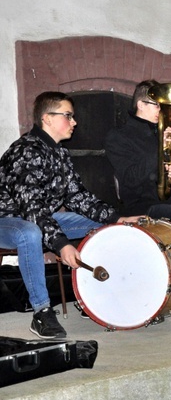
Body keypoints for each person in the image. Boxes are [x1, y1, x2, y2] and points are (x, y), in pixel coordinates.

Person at [0, 91, 142, 338]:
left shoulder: (60, 153)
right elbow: (32, 209)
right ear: (47, 118)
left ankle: (92, 296)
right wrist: (61, 244)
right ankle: (42, 312)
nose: (74, 122)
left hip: (37, 218)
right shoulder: (24, 151)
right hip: (8, 222)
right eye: (68, 116)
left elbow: (78, 197)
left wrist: (115, 218)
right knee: (30, 233)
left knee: (97, 223)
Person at [106, 80, 171, 234]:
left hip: (166, 203)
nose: (162, 110)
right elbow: (130, 178)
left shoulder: (163, 133)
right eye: (157, 105)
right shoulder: (119, 136)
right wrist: (159, 148)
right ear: (140, 105)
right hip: (139, 206)